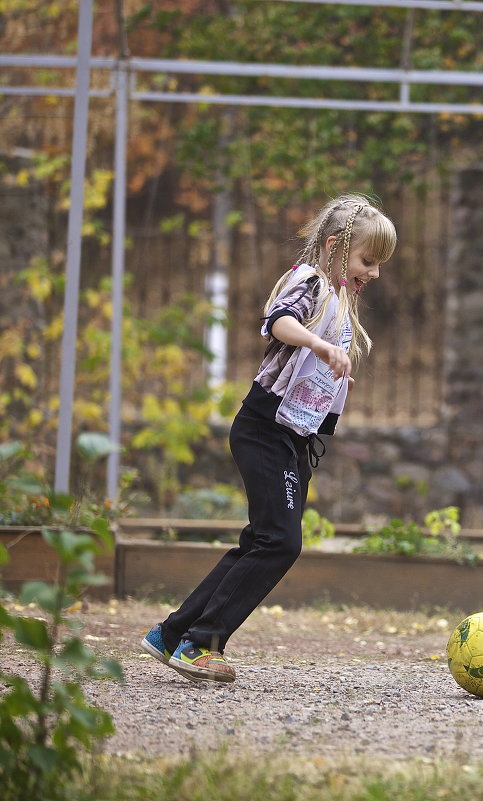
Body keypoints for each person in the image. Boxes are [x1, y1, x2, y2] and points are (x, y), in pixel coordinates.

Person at [139, 194, 398, 682]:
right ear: (336, 246)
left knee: (262, 538)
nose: (375, 273)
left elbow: (304, 362)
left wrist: (329, 378)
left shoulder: (336, 300)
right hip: (265, 432)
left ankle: (173, 634)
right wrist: (319, 345)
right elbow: (278, 321)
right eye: (368, 260)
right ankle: (201, 644)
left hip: (290, 438)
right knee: (280, 541)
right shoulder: (311, 282)